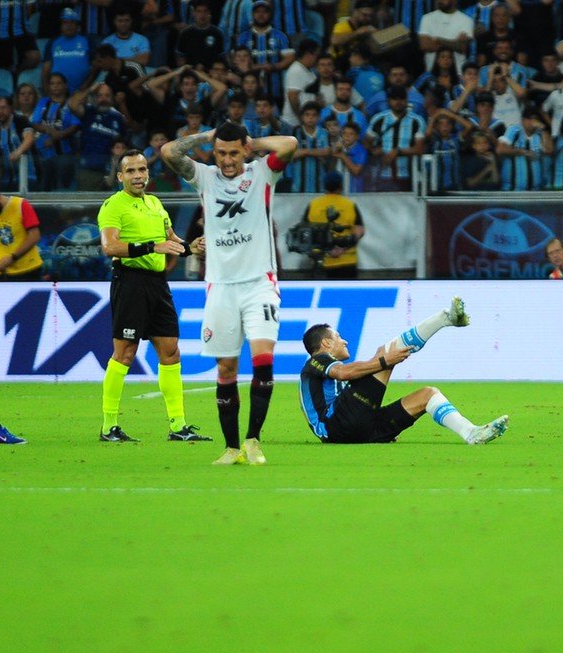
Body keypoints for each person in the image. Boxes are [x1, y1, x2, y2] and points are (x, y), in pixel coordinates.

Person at [160, 121, 297, 465]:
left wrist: (255, 142)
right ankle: (232, 447)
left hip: (259, 283)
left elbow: (290, 144)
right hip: (220, 287)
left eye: (234, 152)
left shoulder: (263, 172)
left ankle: (254, 440)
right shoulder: (205, 177)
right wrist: (206, 136)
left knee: (263, 360)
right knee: (225, 370)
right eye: (221, 153)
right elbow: (168, 152)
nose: (227, 160)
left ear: (245, 150)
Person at [96, 148, 209, 444]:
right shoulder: (113, 206)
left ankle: (178, 425)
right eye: (131, 171)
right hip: (130, 282)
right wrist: (150, 247)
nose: (138, 176)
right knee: (125, 353)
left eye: (142, 169)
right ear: (120, 176)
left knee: (170, 351)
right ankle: (109, 426)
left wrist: (191, 247)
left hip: (158, 284)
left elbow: (170, 241)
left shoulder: (156, 204)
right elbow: (110, 247)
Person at [298, 297, 509, 445]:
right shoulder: (315, 362)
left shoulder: (334, 368)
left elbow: (351, 374)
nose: (344, 341)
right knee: (384, 353)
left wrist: (382, 362)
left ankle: (470, 432)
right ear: (326, 342)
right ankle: (445, 318)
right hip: (335, 426)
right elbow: (344, 374)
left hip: (361, 430)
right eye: (338, 337)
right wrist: (384, 361)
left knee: (427, 395)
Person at [302, 170, 364, 277]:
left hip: (321, 262)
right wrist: (342, 249)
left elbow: (304, 233)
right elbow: (360, 230)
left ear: (324, 186)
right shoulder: (350, 205)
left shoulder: (313, 205)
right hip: (347, 262)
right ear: (341, 186)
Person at [0, 184, 44, 280]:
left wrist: (13, 257)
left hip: (29, 269)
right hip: (4, 273)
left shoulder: (20, 205)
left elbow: (34, 236)